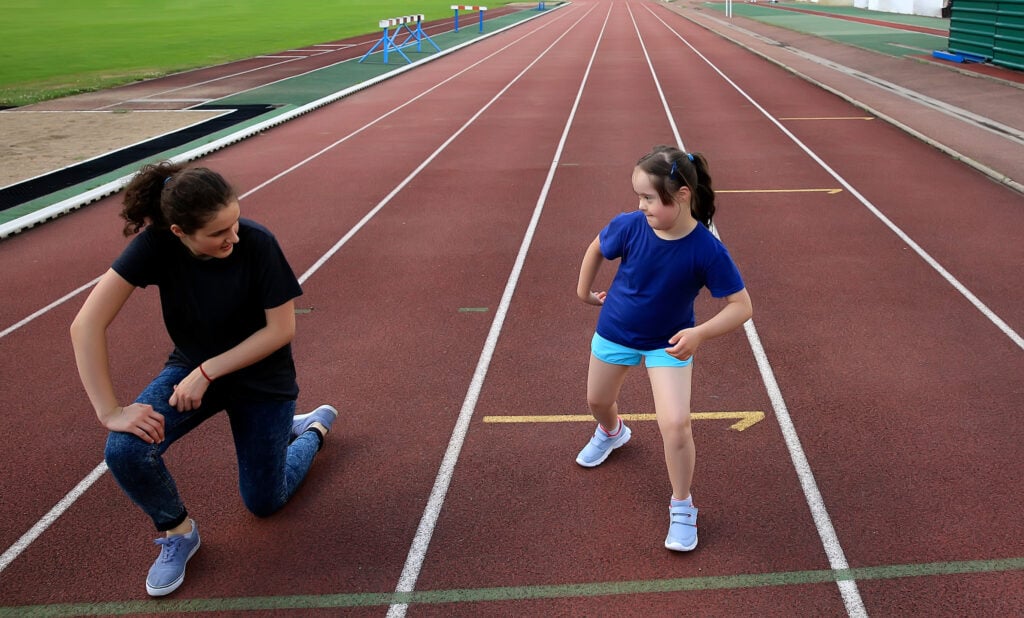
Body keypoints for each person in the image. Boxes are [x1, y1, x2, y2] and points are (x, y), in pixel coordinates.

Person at [70, 161, 338, 596]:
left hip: (261, 382)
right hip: (191, 370)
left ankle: (310, 429)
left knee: (264, 503)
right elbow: (85, 325)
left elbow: (280, 330)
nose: (233, 236)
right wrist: (110, 410)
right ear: (179, 232)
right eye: (218, 233)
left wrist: (207, 371)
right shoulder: (156, 246)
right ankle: (179, 533)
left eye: (234, 222)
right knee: (124, 448)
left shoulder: (257, 243)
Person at [575, 145, 753, 552]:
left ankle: (682, 505)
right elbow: (596, 247)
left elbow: (742, 306)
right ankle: (612, 432)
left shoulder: (707, 249)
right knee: (597, 400)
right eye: (639, 197)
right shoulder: (631, 225)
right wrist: (584, 293)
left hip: (669, 345)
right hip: (616, 331)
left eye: (650, 198)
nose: (641, 205)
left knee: (676, 425)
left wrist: (700, 334)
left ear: (683, 196)